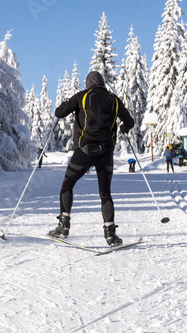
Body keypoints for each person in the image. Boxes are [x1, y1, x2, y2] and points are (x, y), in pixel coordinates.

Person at [48, 71, 134, 247]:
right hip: (106, 153)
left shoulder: (82, 96)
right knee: (105, 193)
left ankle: (63, 227)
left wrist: (66, 107)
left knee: (67, 185)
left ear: (88, 83)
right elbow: (130, 122)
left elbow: (59, 112)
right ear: (102, 82)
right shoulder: (114, 99)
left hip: (84, 151)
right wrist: (123, 128)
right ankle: (111, 236)